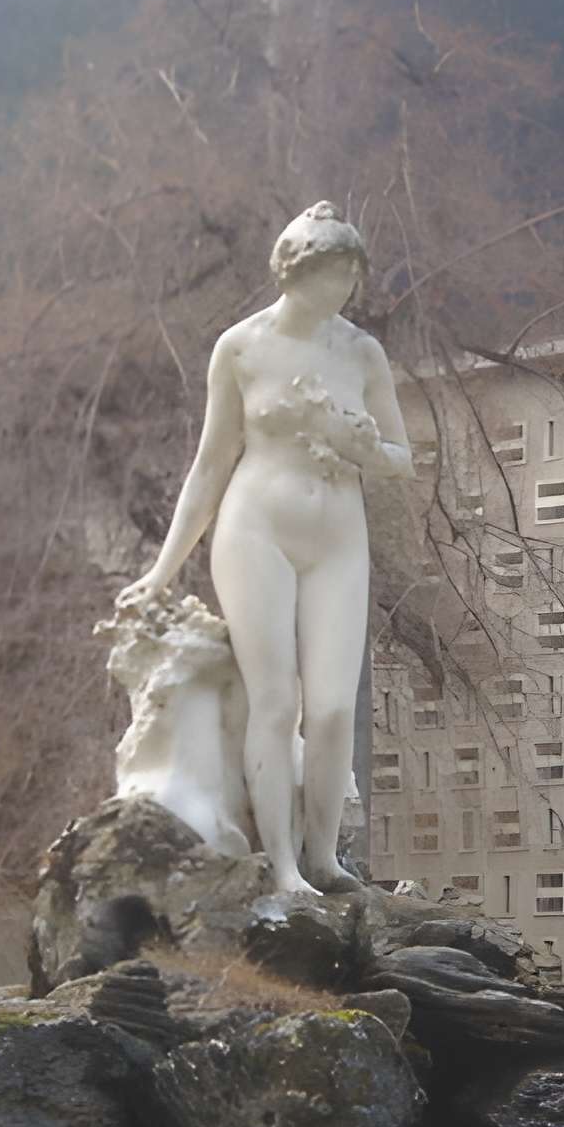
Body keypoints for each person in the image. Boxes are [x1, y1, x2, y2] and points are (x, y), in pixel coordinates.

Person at [117, 201, 413, 894]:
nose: (343, 287)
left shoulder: (362, 353)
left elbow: (403, 458)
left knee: (335, 705)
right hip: (256, 530)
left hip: (339, 535)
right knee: (276, 701)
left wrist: (364, 444)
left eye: (350, 274)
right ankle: (281, 865)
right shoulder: (242, 347)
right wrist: (163, 569)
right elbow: (210, 465)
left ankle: (323, 855)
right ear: (294, 270)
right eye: (332, 272)